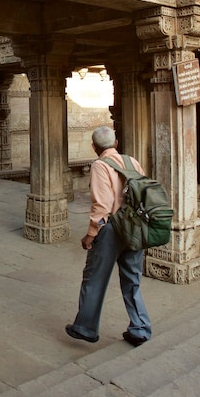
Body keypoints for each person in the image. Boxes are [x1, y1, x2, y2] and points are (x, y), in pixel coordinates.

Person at [65, 126, 152, 347]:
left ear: (94, 147)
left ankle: (85, 327)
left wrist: (91, 234)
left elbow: (102, 206)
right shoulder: (132, 161)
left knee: (94, 277)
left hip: (112, 229)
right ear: (116, 143)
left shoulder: (100, 165)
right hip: (135, 227)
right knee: (132, 280)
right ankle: (140, 328)